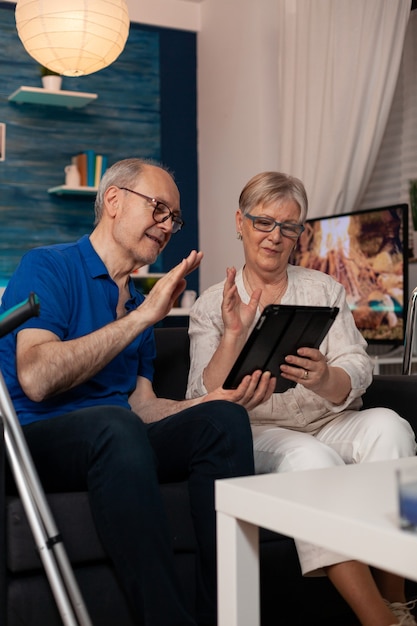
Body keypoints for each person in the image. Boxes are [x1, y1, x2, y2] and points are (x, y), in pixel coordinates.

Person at [0, 159, 276, 626]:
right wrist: (144, 316)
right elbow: (37, 377)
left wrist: (208, 403)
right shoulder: (48, 266)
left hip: (117, 439)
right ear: (113, 201)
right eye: (159, 209)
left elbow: (142, 406)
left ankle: (229, 616)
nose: (168, 226)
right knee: (114, 425)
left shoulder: (137, 303)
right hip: (37, 441)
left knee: (222, 422)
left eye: (174, 218)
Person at [186, 171, 417, 626]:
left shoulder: (323, 290)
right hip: (259, 429)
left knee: (392, 428)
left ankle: (398, 598)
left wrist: (327, 376)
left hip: (328, 418)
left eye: (289, 227)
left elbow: (358, 364)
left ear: (300, 234)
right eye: (263, 223)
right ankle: (379, 621)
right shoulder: (212, 304)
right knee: (312, 460)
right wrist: (233, 335)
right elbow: (199, 394)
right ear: (240, 222)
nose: (275, 237)